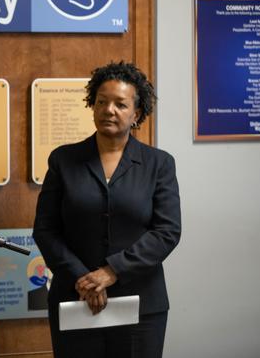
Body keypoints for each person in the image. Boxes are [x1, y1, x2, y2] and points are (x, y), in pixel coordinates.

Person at [33, 61, 181, 358]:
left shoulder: (159, 164)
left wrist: (112, 271)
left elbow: (167, 231)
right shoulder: (63, 160)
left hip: (141, 305)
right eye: (101, 102)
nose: (108, 110)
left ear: (136, 113)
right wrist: (83, 280)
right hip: (75, 299)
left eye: (120, 104)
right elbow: (46, 230)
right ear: (92, 105)